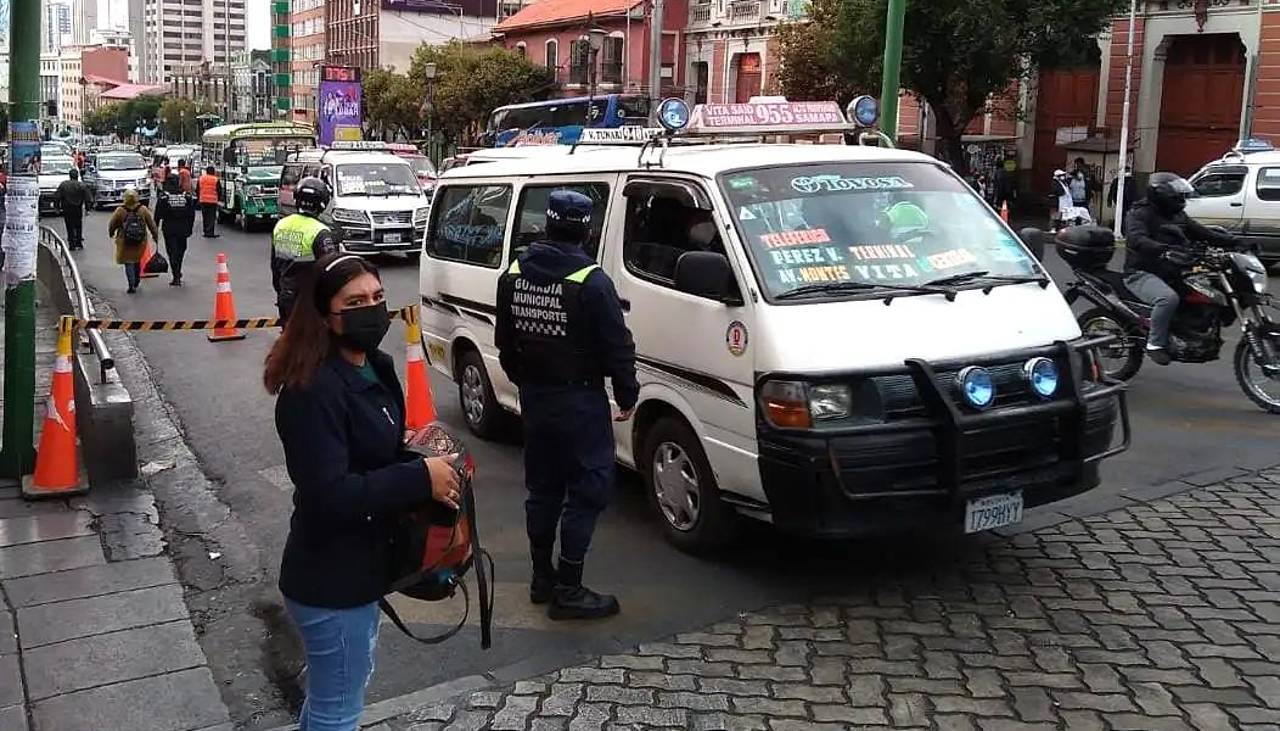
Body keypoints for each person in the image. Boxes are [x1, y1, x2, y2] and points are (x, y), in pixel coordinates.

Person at [265, 253, 461, 731]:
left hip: (362, 567)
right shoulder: (311, 391)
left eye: (377, 297)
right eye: (354, 302)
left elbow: (379, 452)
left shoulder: (374, 364)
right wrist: (420, 478)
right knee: (339, 710)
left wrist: (424, 464)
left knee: (331, 697)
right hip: (331, 580)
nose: (371, 309)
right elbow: (329, 493)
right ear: (326, 316)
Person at [494, 190, 638, 621]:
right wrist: (627, 394)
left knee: (543, 490)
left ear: (547, 223)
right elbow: (618, 347)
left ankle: (543, 578)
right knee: (588, 488)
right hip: (579, 401)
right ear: (585, 228)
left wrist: (528, 383)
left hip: (536, 400)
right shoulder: (591, 282)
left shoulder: (513, 274)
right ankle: (569, 590)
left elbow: (505, 345)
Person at [1122, 172, 1233, 365]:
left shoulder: (1177, 215)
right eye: (1177, 196)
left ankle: (1190, 331)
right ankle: (1155, 344)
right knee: (1168, 298)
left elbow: (1201, 232)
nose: (1181, 200)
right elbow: (1137, 239)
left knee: (1208, 290)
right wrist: (1163, 250)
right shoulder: (1140, 213)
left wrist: (1235, 241)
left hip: (1172, 270)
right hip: (1142, 272)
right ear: (1162, 195)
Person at [107, 187, 160, 293]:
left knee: (128, 262)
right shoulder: (143, 210)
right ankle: (136, 280)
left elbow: (112, 224)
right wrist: (155, 235)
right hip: (140, 240)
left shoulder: (120, 210)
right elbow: (151, 224)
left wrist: (111, 233)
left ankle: (131, 284)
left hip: (125, 241)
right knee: (137, 260)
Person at [153, 172, 197, 286]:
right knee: (180, 251)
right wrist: (190, 227)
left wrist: (155, 228)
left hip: (169, 229)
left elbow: (158, 214)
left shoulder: (164, 197)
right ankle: (177, 271)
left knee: (172, 251)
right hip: (183, 228)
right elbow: (191, 214)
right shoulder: (186, 196)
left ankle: (176, 274)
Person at [55, 168, 91, 250]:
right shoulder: (81, 185)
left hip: (67, 208)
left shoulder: (63, 185)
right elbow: (88, 198)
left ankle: (71, 243)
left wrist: (56, 207)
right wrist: (87, 209)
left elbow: (57, 197)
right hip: (77, 208)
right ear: (77, 176)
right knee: (78, 225)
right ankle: (79, 242)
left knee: (69, 226)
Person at [198, 165, 220, 238]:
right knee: (211, 217)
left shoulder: (201, 178)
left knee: (205, 217)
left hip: (203, 200)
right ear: (213, 172)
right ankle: (210, 232)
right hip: (212, 201)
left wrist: (199, 198)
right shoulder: (215, 179)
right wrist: (218, 198)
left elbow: (198, 189)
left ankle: (205, 231)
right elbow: (219, 190)